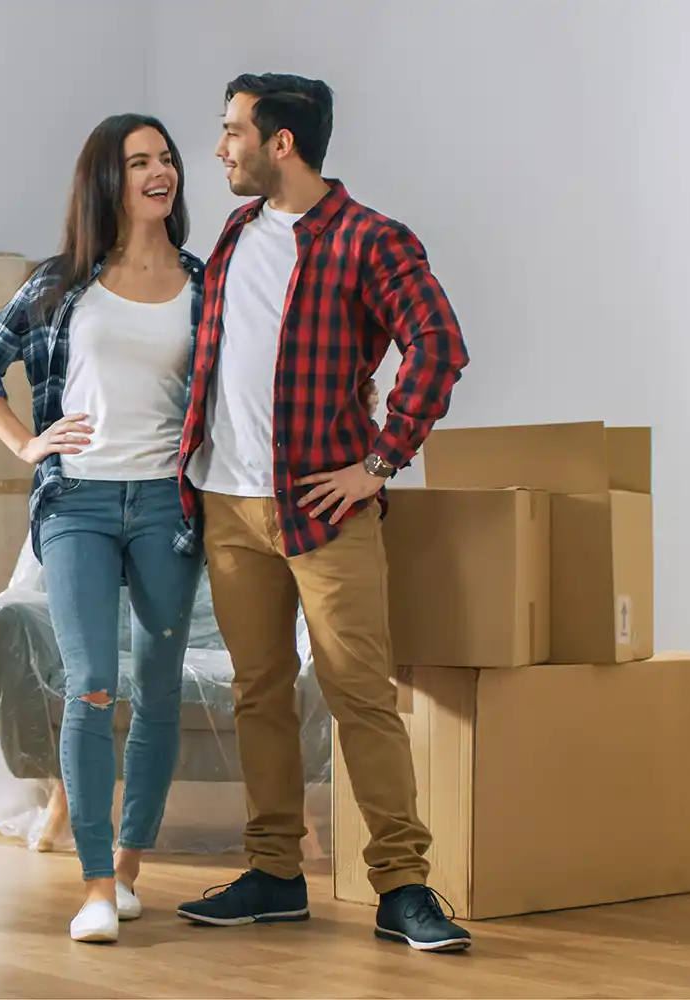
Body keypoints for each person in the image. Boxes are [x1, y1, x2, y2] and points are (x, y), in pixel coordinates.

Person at [171, 73, 474, 953]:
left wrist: (380, 462)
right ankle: (274, 874)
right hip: (229, 504)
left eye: (232, 132)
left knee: (358, 697)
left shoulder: (371, 241)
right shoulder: (233, 235)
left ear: (282, 144)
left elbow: (438, 345)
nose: (221, 148)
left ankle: (404, 887)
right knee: (258, 694)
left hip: (321, 510)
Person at [0, 114, 205, 945]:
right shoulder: (64, 282)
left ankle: (130, 868)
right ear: (109, 179)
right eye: (140, 161)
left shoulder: (207, 282)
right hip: (80, 506)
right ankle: (95, 885)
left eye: (165, 157)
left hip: (169, 506)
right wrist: (27, 441)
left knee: (159, 691)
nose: (159, 171)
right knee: (94, 680)